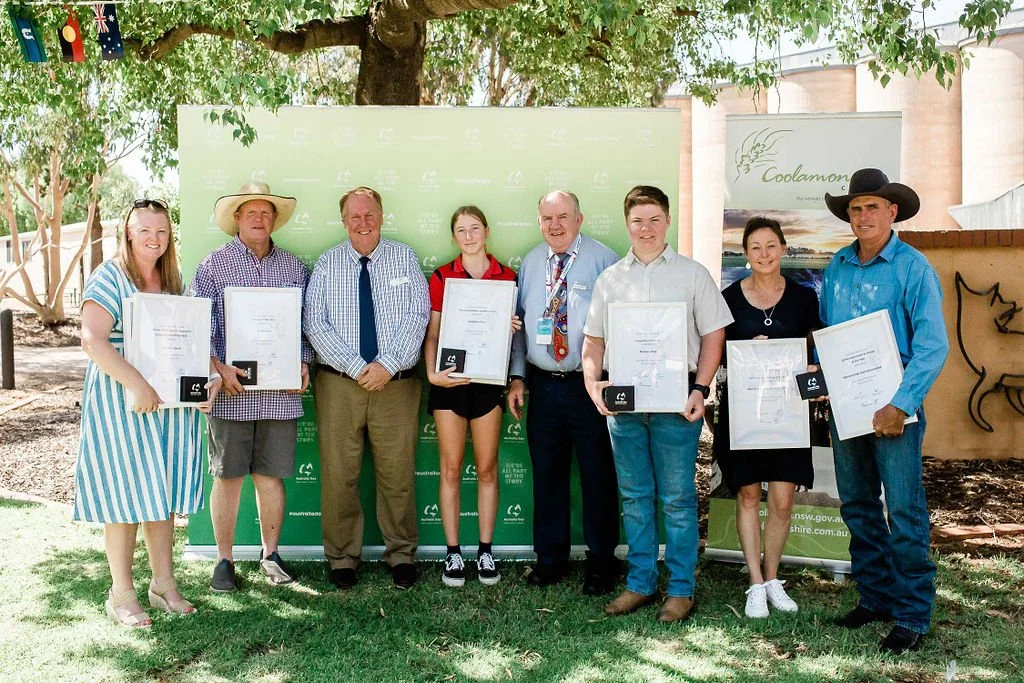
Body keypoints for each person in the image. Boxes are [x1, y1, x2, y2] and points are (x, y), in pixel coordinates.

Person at [582, 185, 733, 623]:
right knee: (634, 496)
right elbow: (594, 342)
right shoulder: (611, 279)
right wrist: (595, 387)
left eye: (653, 219)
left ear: (667, 221)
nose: (645, 229)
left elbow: (714, 335)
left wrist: (700, 389)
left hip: (676, 400)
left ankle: (681, 589)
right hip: (625, 402)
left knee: (677, 499)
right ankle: (641, 583)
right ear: (627, 225)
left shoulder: (692, 274)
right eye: (636, 221)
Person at [820, 168, 948, 654]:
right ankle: (875, 596)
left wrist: (900, 404)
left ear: (892, 212)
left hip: (896, 412)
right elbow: (833, 336)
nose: (862, 216)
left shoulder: (913, 268)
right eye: (855, 209)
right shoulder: (837, 267)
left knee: (904, 508)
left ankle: (913, 613)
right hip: (848, 410)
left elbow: (933, 346)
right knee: (856, 505)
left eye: (872, 206)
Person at [74, 199, 217, 626]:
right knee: (125, 495)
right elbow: (92, 339)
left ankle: (164, 585)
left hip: (171, 406)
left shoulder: (173, 280)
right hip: (125, 400)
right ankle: (121, 594)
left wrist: (203, 383)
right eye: (145, 230)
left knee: (162, 492)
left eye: (162, 231)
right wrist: (137, 383)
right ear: (128, 232)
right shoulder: (111, 275)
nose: (154, 238)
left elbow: (188, 343)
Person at [304, 186, 430, 590]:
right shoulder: (327, 263)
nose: (363, 223)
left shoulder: (404, 258)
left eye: (369, 214)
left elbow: (418, 315)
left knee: (397, 473)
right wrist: (359, 366)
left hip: (397, 385)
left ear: (381, 216)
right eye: (354, 216)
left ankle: (401, 554)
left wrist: (387, 365)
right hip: (340, 384)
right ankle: (342, 558)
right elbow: (315, 323)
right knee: (339, 474)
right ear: (344, 221)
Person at [190, 182, 313, 593]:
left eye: (266, 213)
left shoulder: (295, 269)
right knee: (226, 476)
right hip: (231, 391)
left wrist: (304, 362)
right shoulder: (213, 267)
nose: (259, 219)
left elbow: (305, 328)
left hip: (280, 393)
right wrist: (216, 366)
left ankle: (270, 554)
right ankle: (224, 560)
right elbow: (197, 328)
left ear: (274, 220)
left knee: (271, 476)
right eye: (251, 213)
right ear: (237, 219)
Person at [507, 190, 622, 595]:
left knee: (597, 478)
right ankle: (550, 560)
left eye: (563, 217)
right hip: (543, 386)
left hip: (588, 386)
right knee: (548, 476)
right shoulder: (532, 263)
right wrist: (518, 377)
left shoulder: (604, 260)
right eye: (547, 218)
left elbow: (619, 327)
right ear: (539, 222)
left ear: (579, 218)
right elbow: (520, 325)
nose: (555, 225)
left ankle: (602, 564)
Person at [712, 217, 821, 618]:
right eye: (755, 247)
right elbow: (714, 351)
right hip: (744, 416)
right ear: (745, 253)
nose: (764, 254)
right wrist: (745, 351)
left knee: (781, 499)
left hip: (788, 415)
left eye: (771, 246)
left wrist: (812, 367)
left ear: (783, 249)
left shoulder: (804, 297)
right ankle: (754, 583)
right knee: (748, 495)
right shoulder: (727, 298)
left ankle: (774, 579)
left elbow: (814, 347)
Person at [423, 206, 520, 587]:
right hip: (449, 381)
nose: (468, 236)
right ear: (453, 237)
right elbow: (432, 333)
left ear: (487, 231)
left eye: (474, 228)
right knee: (449, 468)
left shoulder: (507, 277)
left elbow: (515, 338)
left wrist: (511, 327)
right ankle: (452, 555)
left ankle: (484, 552)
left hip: (488, 382)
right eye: (461, 230)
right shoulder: (443, 276)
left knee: (487, 468)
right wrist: (433, 374)